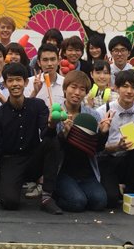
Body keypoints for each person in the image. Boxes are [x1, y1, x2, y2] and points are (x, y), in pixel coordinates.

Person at [0, 62, 58, 212]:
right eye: (10, 80)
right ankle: (8, 184)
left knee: (53, 141)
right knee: (9, 203)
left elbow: (46, 133)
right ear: (5, 84)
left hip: (33, 159)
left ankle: (46, 196)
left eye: (18, 80)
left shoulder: (38, 106)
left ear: (25, 82)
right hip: (11, 161)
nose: (15, 84)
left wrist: (51, 125)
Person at [41, 70, 108, 214]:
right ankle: (56, 194)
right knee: (77, 203)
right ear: (65, 89)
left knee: (100, 202)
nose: (77, 92)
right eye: (73, 87)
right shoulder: (54, 112)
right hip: (62, 171)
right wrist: (62, 133)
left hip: (86, 172)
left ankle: (79, 192)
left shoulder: (93, 115)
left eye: (82, 89)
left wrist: (103, 132)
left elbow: (98, 148)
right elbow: (48, 146)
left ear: (86, 93)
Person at [97, 69, 134, 208]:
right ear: (116, 88)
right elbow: (96, 148)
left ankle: (132, 192)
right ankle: (114, 191)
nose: (129, 91)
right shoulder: (102, 110)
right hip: (107, 160)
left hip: (130, 160)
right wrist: (116, 146)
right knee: (110, 200)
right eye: (125, 86)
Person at [27, 44, 65, 111]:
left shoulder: (65, 83)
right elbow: (24, 110)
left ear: (59, 61)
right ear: (39, 63)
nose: (49, 64)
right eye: (45, 60)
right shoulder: (29, 82)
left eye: (53, 59)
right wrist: (35, 92)